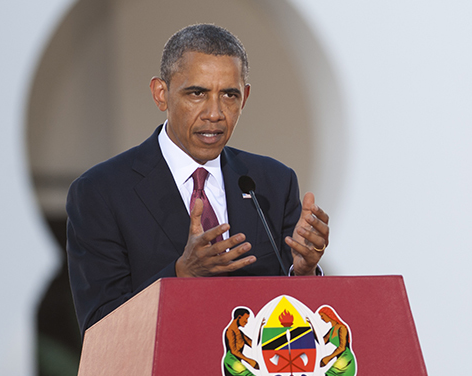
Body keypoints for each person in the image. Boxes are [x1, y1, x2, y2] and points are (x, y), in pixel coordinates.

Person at [66, 24, 330, 335]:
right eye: (197, 93)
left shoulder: (272, 182)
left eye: (229, 95)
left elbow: (294, 318)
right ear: (161, 94)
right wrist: (181, 275)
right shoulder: (101, 192)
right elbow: (99, 326)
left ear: (244, 98)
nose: (215, 113)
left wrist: (304, 272)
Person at [318, 307, 356, 376]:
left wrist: (328, 358)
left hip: (346, 360)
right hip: (339, 359)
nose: (321, 318)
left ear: (328, 315)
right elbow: (321, 342)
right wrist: (312, 326)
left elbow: (342, 347)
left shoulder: (342, 328)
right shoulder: (332, 330)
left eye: (322, 316)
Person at [223, 308, 258, 376]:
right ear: (239, 317)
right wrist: (249, 361)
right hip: (231, 361)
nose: (247, 321)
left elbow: (253, 344)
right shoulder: (230, 331)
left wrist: (260, 328)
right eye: (246, 318)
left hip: (237, 362)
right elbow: (234, 351)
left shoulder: (240, 333)